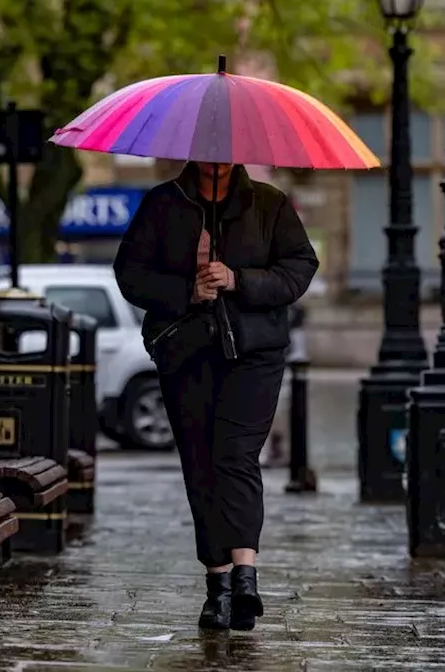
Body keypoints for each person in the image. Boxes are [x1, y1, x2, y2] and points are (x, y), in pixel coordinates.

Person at [113, 161, 318, 631]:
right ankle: (218, 585)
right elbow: (131, 273)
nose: (217, 155)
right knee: (201, 463)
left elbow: (299, 267)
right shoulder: (163, 204)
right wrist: (190, 289)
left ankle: (245, 576)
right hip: (187, 353)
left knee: (236, 456)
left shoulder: (269, 203)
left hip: (254, 354)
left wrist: (238, 279)